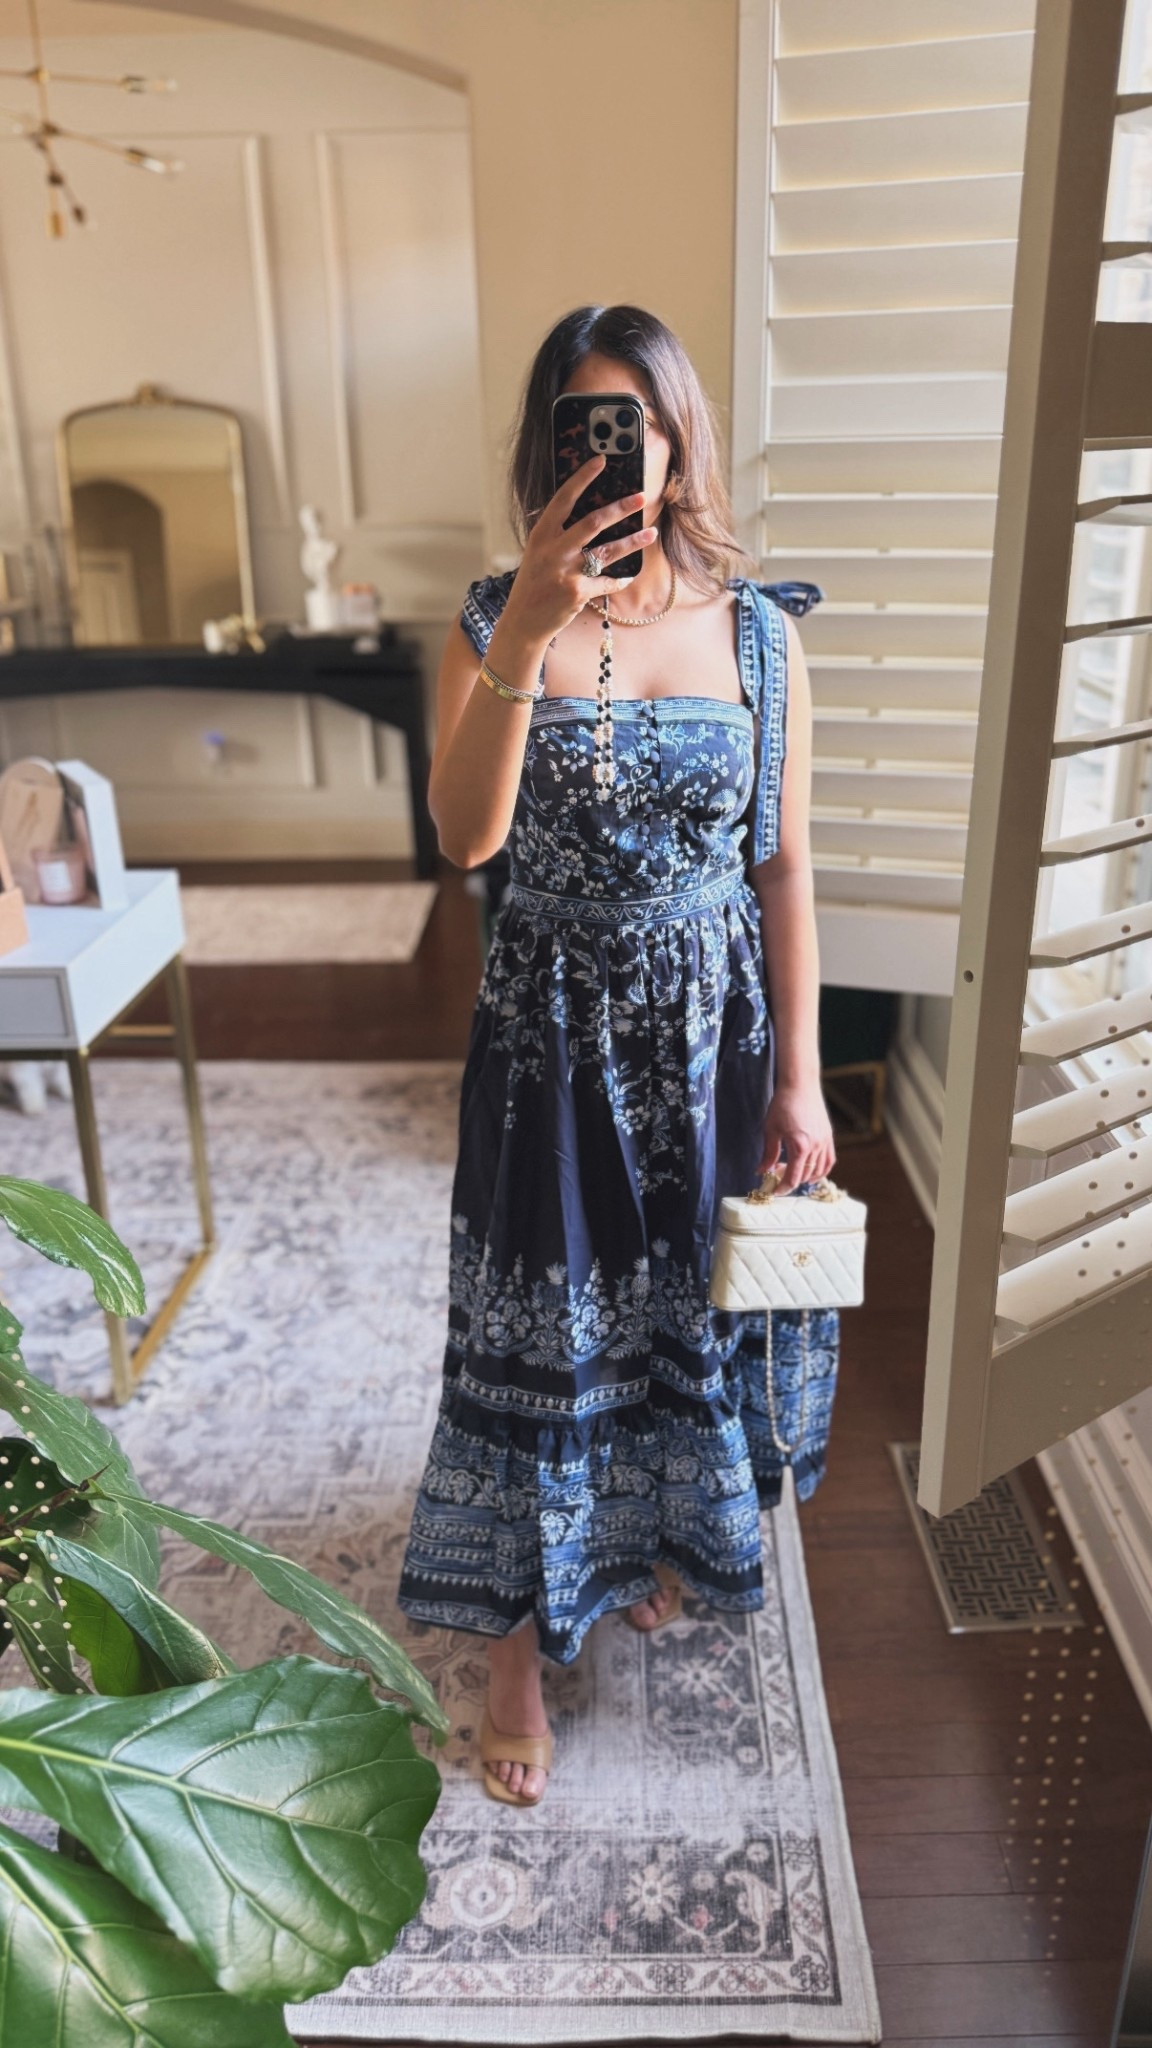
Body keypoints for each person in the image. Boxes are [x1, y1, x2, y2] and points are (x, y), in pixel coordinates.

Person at [396, 303, 838, 1808]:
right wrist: (528, 626)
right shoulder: (487, 620)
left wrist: (801, 1077)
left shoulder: (760, 633)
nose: (615, 450)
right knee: (539, 1343)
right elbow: (466, 839)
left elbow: (785, 866)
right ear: (549, 450)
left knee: (673, 1325)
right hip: (549, 1043)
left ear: (676, 436)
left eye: (635, 422)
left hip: (711, 1042)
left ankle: (640, 1546)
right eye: (585, 424)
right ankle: (515, 1658)